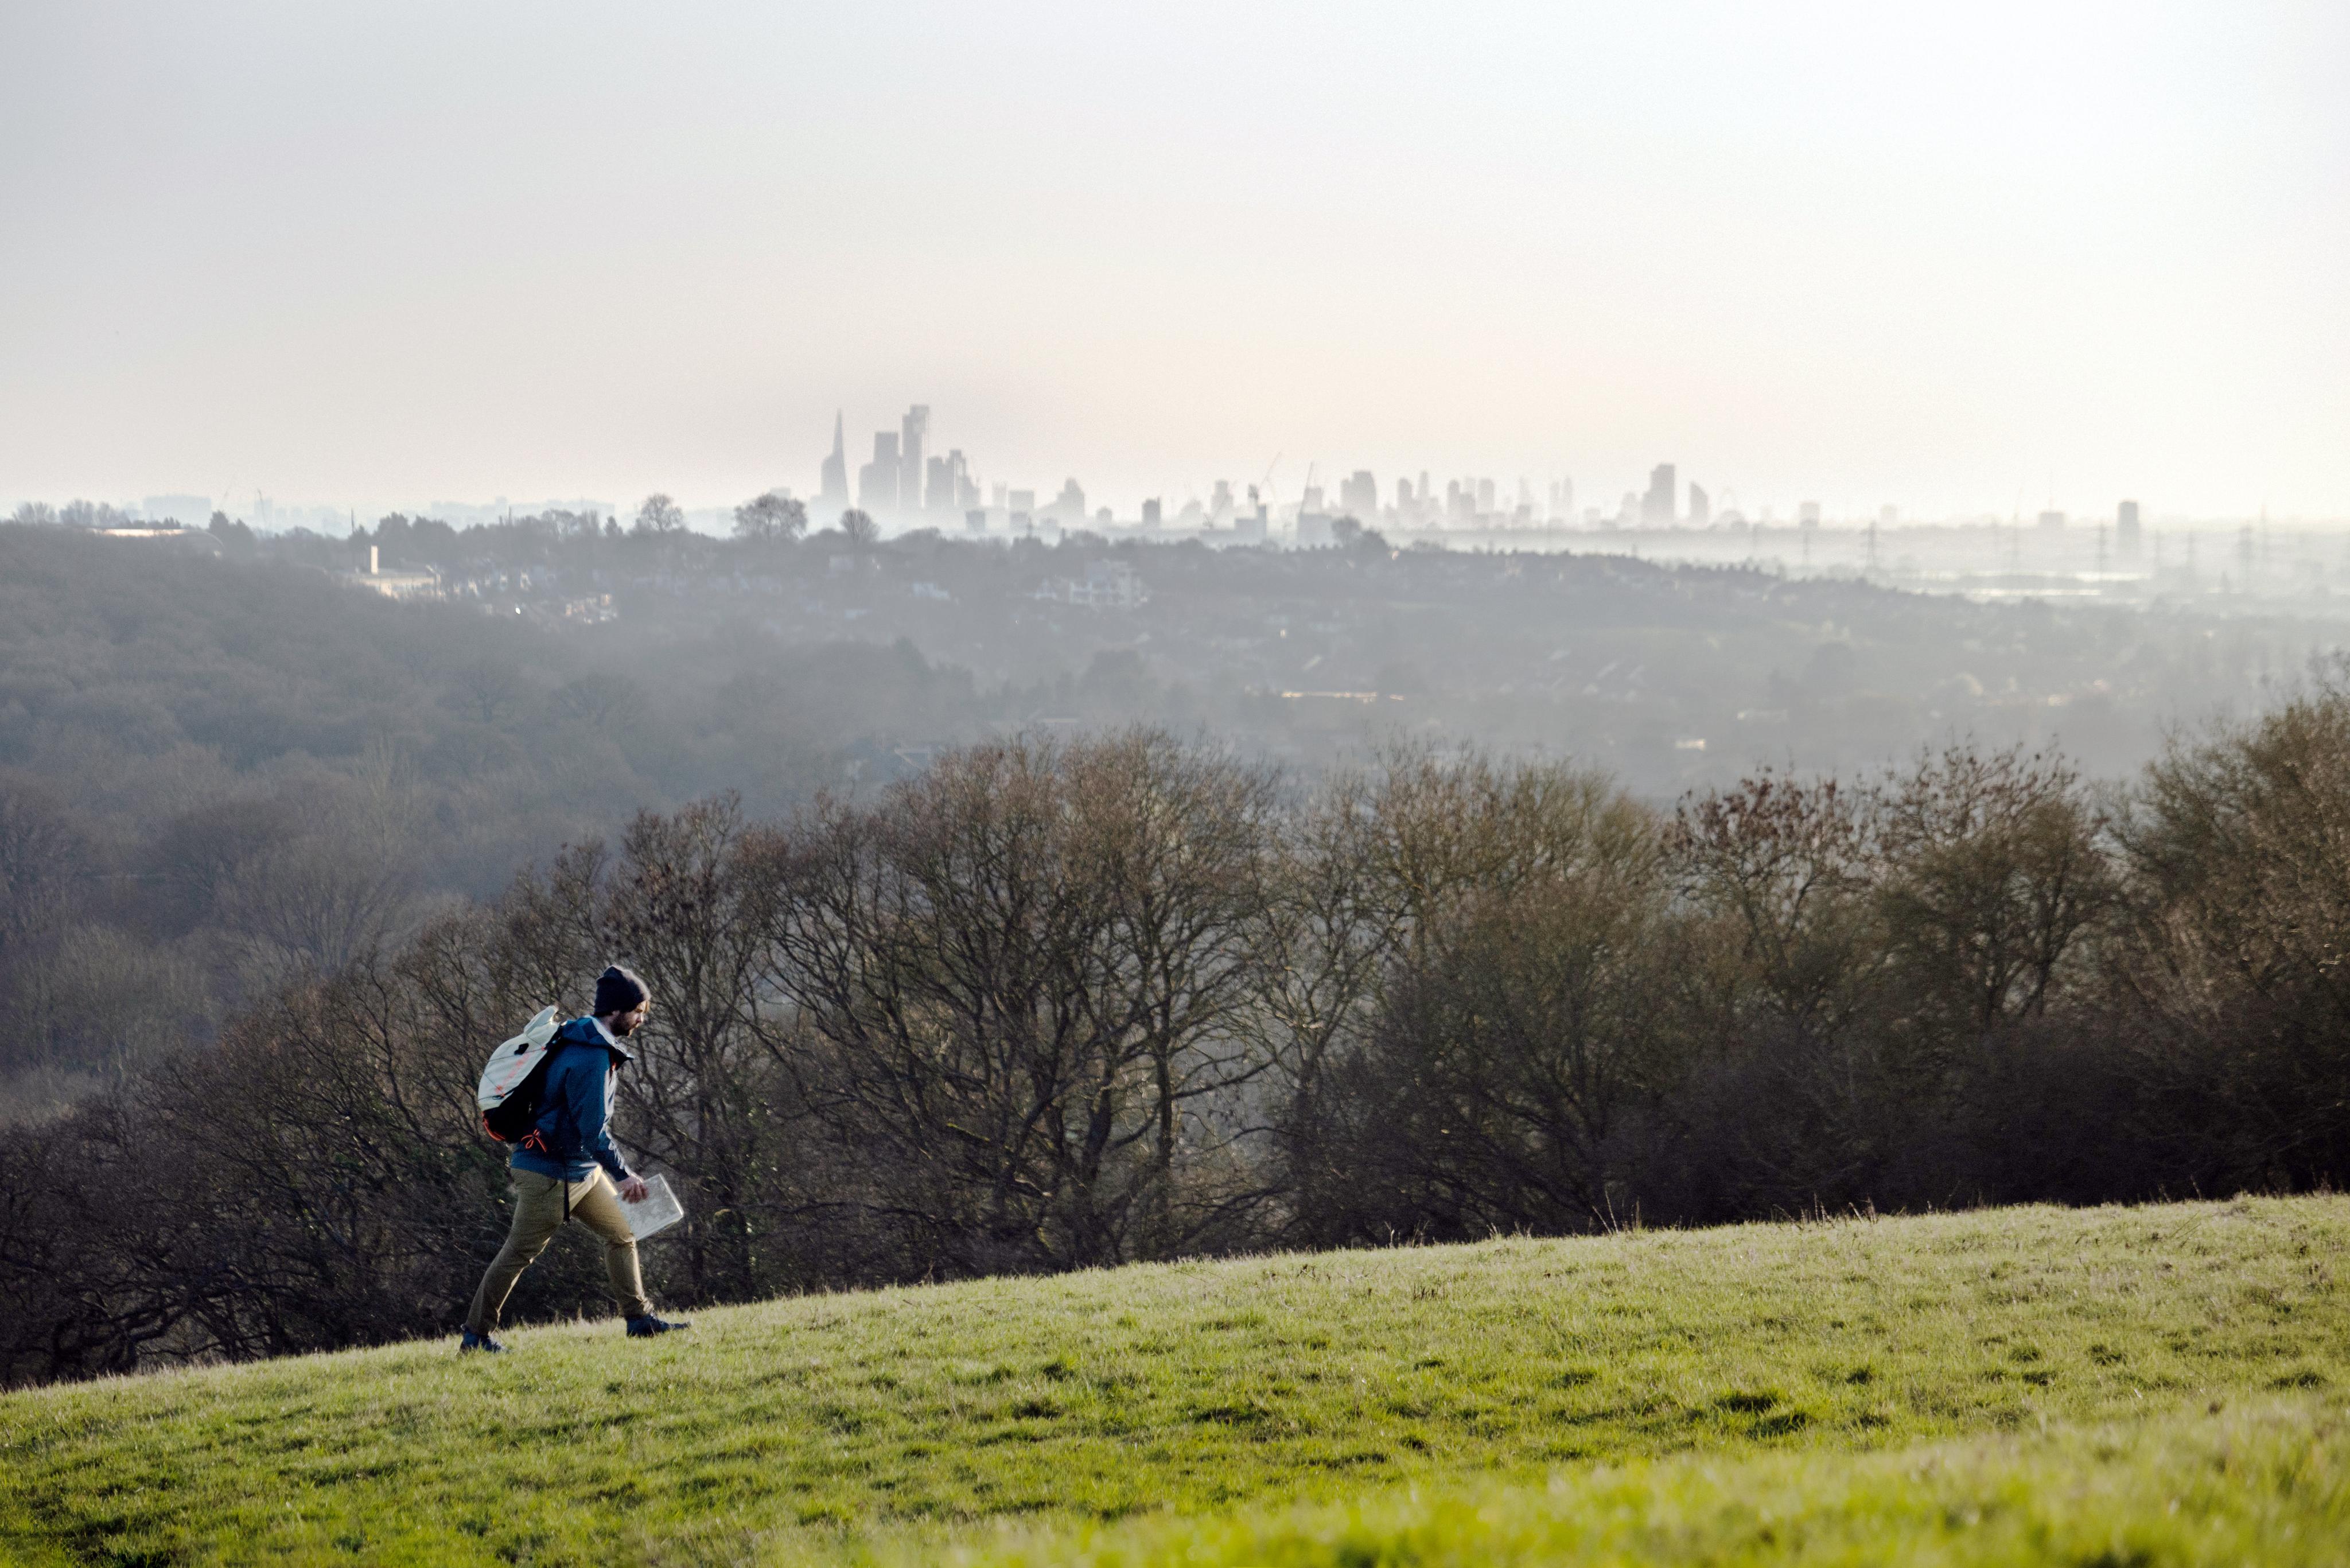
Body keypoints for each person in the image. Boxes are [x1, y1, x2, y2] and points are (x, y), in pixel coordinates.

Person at [461, 964, 689, 1351]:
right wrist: (624, 1174)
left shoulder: (584, 1039)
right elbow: (592, 1131)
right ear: (616, 1010)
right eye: (638, 1010)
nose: (641, 1019)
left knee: (622, 1234)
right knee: (519, 1253)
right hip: (548, 1173)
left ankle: (639, 1320)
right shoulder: (589, 1058)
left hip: (581, 1170)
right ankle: (476, 1336)